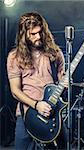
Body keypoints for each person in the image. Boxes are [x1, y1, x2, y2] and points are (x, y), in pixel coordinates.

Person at [7, 12, 67, 150]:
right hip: (27, 114)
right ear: (24, 35)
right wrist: (37, 104)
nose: (38, 37)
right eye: (33, 34)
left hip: (53, 115)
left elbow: (62, 83)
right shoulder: (14, 57)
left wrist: (65, 83)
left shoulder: (55, 53)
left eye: (40, 32)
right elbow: (15, 91)